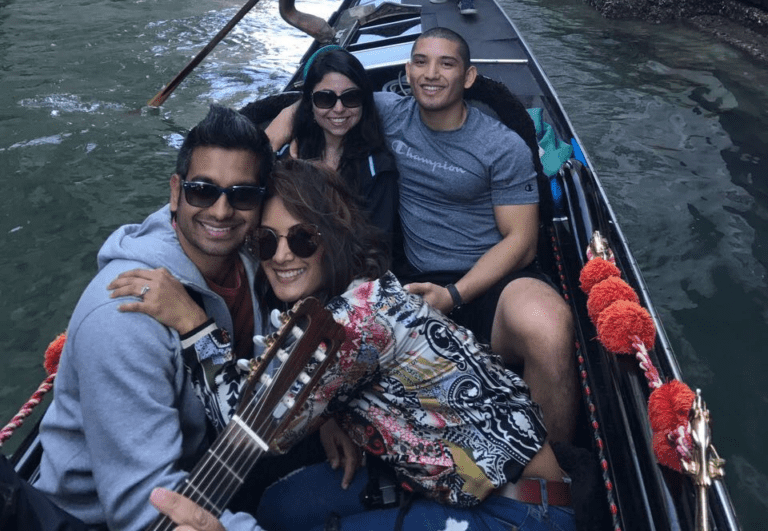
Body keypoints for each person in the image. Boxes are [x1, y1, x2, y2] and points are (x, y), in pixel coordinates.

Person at [129, 158, 575, 531]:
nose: (282, 256)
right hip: (462, 481)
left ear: (332, 238)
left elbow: (241, 421)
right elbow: (339, 375)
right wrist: (327, 416)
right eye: (265, 241)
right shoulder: (363, 292)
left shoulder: (352, 320)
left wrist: (192, 322)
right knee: (279, 509)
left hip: (518, 513)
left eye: (303, 238)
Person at [266, 28, 579, 444]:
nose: (430, 74)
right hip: (409, 276)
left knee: (548, 325)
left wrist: (453, 295)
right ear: (408, 72)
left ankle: (552, 471)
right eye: (420, 62)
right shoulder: (386, 110)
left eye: (445, 63)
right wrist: (258, 156)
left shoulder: (502, 146)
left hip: (492, 280)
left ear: (468, 77)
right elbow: (309, 105)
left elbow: (521, 242)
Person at [33, 105, 274, 531]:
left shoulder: (253, 261)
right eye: (203, 191)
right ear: (176, 192)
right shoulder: (124, 316)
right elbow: (141, 507)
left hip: (213, 461)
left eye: (242, 194)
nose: (221, 211)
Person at [279, 45, 398, 247]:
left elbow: (377, 243)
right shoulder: (288, 155)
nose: (339, 109)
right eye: (326, 99)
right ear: (310, 103)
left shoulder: (378, 169)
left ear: (364, 102)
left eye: (351, 98)